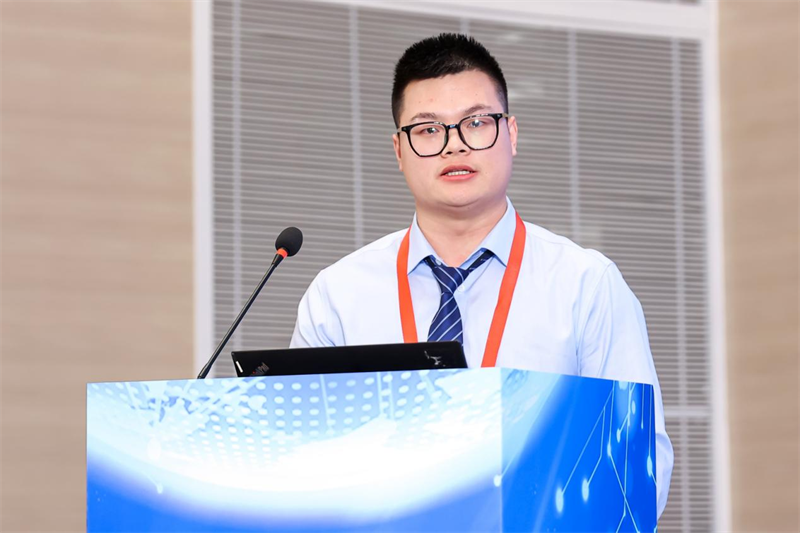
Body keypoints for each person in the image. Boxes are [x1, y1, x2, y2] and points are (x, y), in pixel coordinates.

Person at [290, 33, 673, 516]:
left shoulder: (586, 285)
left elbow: (637, 465)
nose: (454, 144)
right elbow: (298, 461)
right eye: (428, 129)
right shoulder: (338, 296)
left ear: (510, 133)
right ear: (399, 150)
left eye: (475, 123)